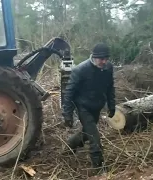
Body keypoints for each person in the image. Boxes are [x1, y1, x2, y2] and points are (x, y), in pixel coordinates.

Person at [62, 42, 116, 173]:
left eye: (106, 58)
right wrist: (67, 114)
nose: (104, 61)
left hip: (97, 106)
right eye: (101, 59)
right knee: (94, 137)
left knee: (87, 133)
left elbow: (110, 88)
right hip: (83, 107)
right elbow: (69, 92)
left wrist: (112, 105)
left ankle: (71, 144)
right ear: (94, 57)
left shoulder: (108, 68)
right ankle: (99, 168)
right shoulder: (81, 70)